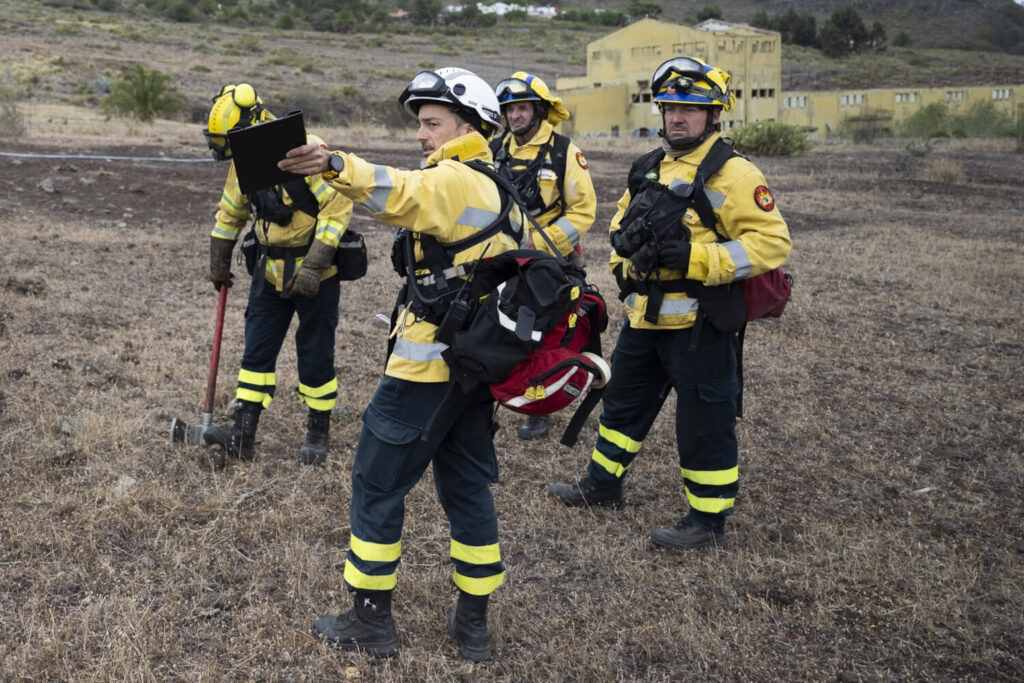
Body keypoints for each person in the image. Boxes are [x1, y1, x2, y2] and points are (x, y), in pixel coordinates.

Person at [278, 67, 523, 661]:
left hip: (426, 373)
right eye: (421, 124)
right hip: (472, 373)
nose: (421, 134)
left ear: (469, 127)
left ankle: (370, 621)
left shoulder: (457, 179)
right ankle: (473, 626)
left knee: (376, 483)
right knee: (468, 488)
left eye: (432, 123)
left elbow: (401, 192)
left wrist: (334, 163)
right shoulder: (500, 187)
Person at [549, 57, 792, 550]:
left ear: (713, 116)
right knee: (621, 404)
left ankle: (708, 521)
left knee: (704, 424)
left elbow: (772, 243)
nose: (677, 117)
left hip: (701, 325)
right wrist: (622, 264)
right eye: (669, 108)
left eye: (690, 109)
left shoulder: (736, 174)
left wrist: (697, 259)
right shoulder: (649, 166)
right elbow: (619, 226)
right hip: (645, 317)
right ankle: (603, 485)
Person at [204, 83, 353, 465]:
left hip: (317, 276)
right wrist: (219, 260)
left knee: (315, 353)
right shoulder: (244, 162)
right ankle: (243, 434)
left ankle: (318, 431)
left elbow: (337, 210)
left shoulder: (308, 150)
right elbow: (230, 213)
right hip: (268, 272)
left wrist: (314, 267)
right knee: (256, 351)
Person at [491, 71, 597, 441]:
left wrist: (540, 243)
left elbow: (583, 212)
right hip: (501, 257)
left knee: (540, 334)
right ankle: (493, 392)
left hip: (548, 262)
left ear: (539, 110)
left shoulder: (565, 152)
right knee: (493, 326)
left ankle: (539, 405)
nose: (514, 115)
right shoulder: (494, 149)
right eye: (509, 110)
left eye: (522, 108)